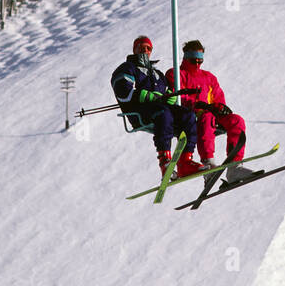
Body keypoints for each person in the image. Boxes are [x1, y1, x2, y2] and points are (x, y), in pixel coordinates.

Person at [167, 38, 258, 184]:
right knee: (206, 117)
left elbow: (218, 97)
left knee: (237, 120)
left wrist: (220, 107)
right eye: (193, 60)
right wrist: (203, 106)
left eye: (200, 60)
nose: (197, 63)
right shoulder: (177, 74)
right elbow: (179, 96)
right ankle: (209, 163)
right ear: (185, 57)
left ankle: (234, 166)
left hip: (211, 114)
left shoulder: (208, 77)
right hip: (192, 116)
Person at [111, 35, 201, 178]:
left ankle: (185, 161)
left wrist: (169, 96)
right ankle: (165, 161)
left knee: (188, 115)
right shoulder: (128, 68)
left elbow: (165, 91)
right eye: (141, 47)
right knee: (163, 113)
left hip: (160, 109)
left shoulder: (156, 73)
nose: (145, 50)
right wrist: (147, 96)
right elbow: (123, 90)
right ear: (135, 49)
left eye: (148, 48)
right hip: (139, 111)